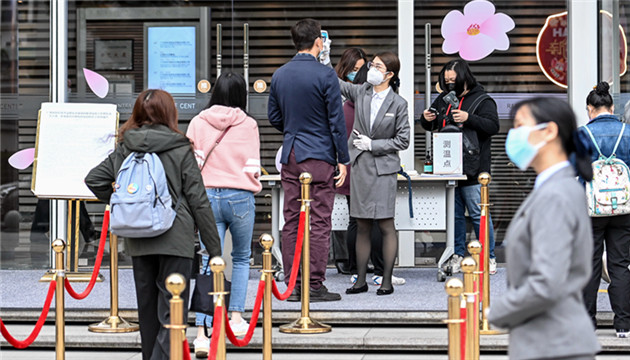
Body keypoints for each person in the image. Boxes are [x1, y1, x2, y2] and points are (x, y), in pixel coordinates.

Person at [85, 89, 221, 360]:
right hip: (176, 237)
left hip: (139, 237)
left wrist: (123, 200)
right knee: (174, 310)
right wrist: (214, 247)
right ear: (170, 114)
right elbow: (198, 200)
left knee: (147, 312)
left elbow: (94, 179)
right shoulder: (180, 147)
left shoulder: (125, 147)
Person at [488, 97, 600, 360]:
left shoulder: (556, 194)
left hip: (553, 345)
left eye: (519, 125)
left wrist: (491, 312)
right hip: (551, 342)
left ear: (549, 131)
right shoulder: (553, 188)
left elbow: (546, 282)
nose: (513, 135)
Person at [268, 18, 350, 302]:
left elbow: (274, 117)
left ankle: (293, 283)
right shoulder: (325, 75)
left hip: (291, 153)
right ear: (319, 42)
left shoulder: (279, 74)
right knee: (320, 219)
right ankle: (314, 283)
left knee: (291, 219)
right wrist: (343, 158)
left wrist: (294, 129)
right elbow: (336, 121)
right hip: (321, 155)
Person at [186, 71, 261, 357]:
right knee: (241, 258)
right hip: (240, 196)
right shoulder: (249, 123)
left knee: (208, 261)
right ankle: (237, 318)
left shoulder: (198, 121)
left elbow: (191, 163)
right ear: (241, 93)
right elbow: (253, 163)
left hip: (206, 197)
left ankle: (203, 333)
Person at [419, 59, 499, 275]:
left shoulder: (482, 100)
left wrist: (468, 118)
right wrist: (426, 119)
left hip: (475, 169)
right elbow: (432, 124)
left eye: (453, 80)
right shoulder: (444, 99)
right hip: (448, 168)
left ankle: (488, 257)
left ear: (465, 77)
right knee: (454, 216)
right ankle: (457, 254)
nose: (450, 84)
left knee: (478, 213)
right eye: (446, 81)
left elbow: (493, 126)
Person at [339, 51, 410, 296]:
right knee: (361, 223)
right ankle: (360, 280)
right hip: (360, 168)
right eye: (372, 64)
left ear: (389, 74)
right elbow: (335, 82)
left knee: (386, 223)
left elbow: (403, 140)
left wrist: (373, 144)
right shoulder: (361, 92)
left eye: (378, 66)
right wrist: (323, 57)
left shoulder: (399, 103)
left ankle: (386, 280)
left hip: (383, 170)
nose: (372, 68)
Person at [580, 82, 630, 339]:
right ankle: (623, 325)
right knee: (620, 264)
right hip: (623, 208)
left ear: (590, 109)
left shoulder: (581, 135)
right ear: (612, 107)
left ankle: (588, 323)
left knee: (590, 265)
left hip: (590, 209)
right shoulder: (628, 133)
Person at [331, 47, 368, 275]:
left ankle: (356, 259)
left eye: (361, 70)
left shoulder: (365, 96)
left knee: (354, 216)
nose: (357, 74)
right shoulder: (337, 91)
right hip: (340, 158)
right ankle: (343, 256)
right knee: (340, 214)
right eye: (354, 70)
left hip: (361, 162)